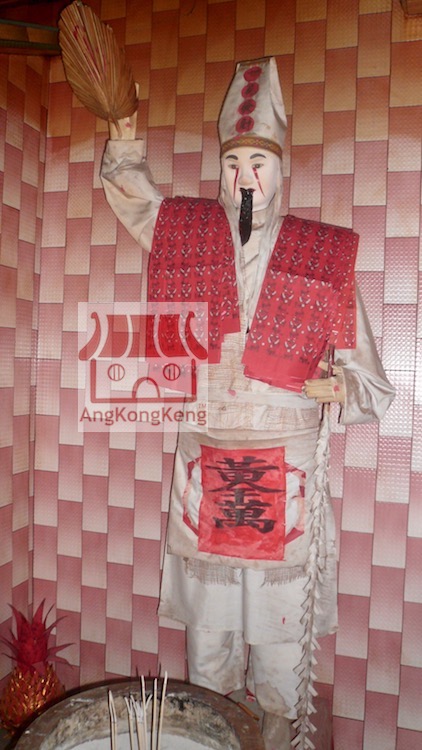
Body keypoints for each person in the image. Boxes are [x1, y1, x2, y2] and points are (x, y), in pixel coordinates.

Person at [100, 58, 395, 750]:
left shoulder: (321, 255)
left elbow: (371, 383)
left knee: (279, 636)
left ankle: (278, 734)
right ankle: (211, 732)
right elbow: (139, 202)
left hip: (282, 476)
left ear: (281, 170)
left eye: (259, 162)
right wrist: (124, 138)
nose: (245, 178)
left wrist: (339, 388)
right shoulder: (188, 234)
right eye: (233, 163)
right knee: (209, 639)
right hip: (207, 467)